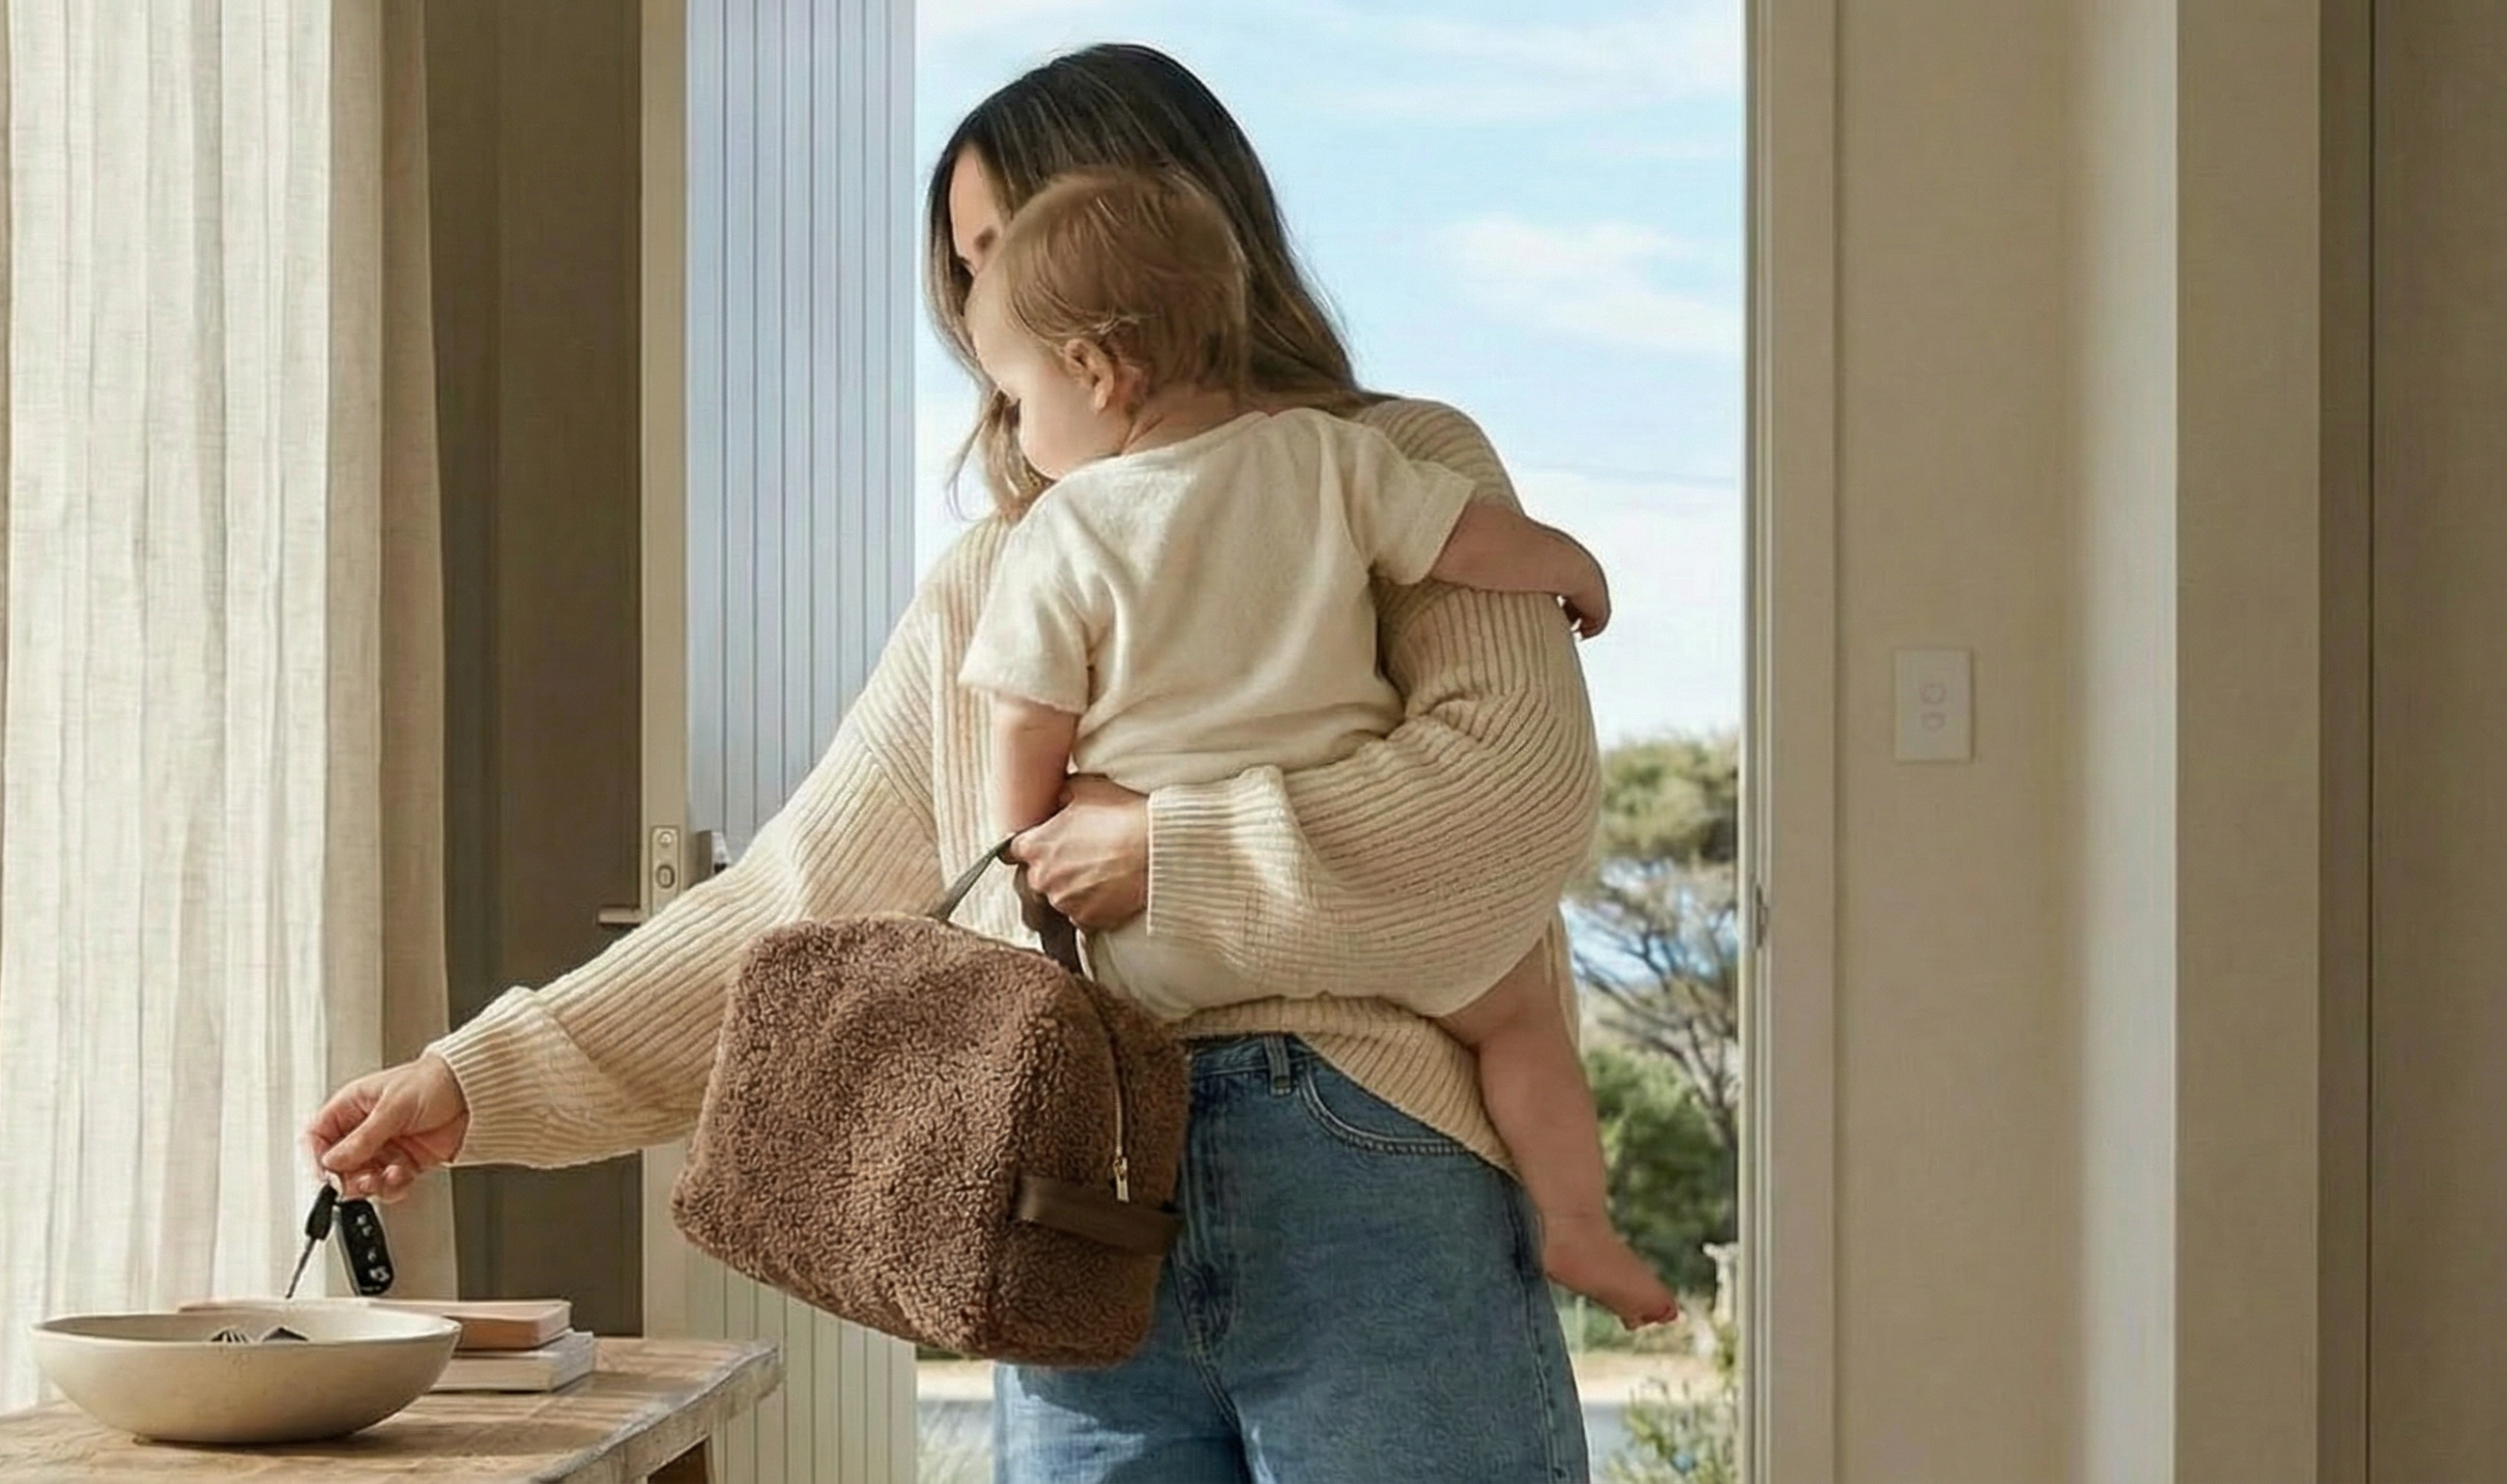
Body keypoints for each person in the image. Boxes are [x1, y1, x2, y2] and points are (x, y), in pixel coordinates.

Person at [309, 43, 1608, 1482]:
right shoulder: (999, 571)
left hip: (1365, 1164)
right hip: (1063, 1202)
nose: (992, 310)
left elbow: (1509, 797)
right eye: (971, 267)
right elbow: (797, 905)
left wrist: (1161, 850)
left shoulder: (1385, 466)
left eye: (1019, 245)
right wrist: (473, 1078)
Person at [962, 164, 1675, 1330]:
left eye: (1012, 397)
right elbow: (1467, 540)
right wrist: (1576, 566)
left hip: (1158, 939)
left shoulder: (1063, 531)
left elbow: (1023, 713)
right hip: (1352, 914)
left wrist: (1030, 843)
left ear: (1091, 370)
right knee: (1519, 1012)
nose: (1012, 430)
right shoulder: (1326, 459)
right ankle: (1579, 1226)